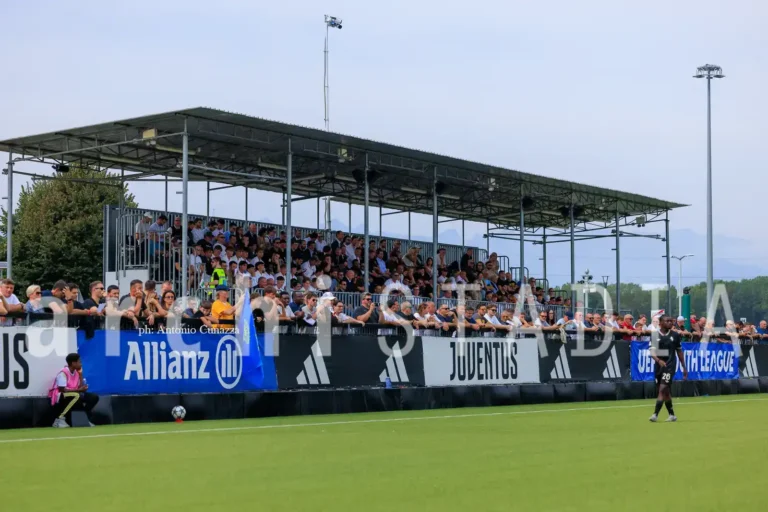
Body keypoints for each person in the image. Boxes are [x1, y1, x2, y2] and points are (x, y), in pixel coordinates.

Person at [649, 315, 688, 423]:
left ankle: (655, 414)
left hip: (670, 366)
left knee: (662, 389)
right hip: (658, 367)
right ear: (660, 323)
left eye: (671, 321)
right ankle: (672, 415)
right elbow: (652, 352)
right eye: (668, 321)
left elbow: (679, 351)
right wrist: (658, 360)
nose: (670, 323)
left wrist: (684, 367)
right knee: (665, 392)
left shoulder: (675, 335)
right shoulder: (655, 335)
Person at [49, 353, 99, 428]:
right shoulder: (63, 373)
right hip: (61, 395)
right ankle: (59, 420)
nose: (81, 364)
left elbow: (80, 387)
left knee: (93, 397)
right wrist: (79, 390)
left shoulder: (76, 373)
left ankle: (84, 418)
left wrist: (81, 375)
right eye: (79, 362)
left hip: (74, 394)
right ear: (73, 363)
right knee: (76, 395)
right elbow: (62, 390)